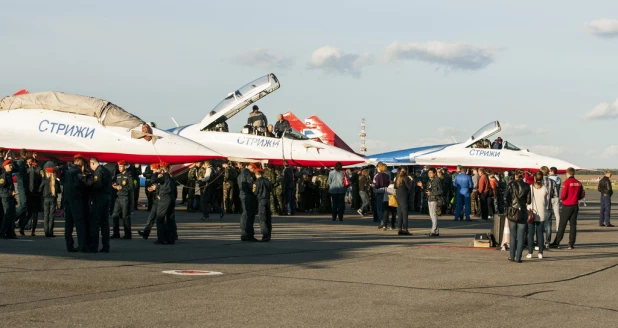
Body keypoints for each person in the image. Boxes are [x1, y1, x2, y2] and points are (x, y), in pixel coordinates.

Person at [550, 167, 585, 250]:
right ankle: (571, 243)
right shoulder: (578, 183)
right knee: (573, 225)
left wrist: (563, 199)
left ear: (567, 173)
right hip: (575, 205)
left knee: (562, 225)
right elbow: (581, 195)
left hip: (567, 205)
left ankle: (557, 242)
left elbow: (563, 195)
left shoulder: (567, 182)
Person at [63, 156, 89, 252]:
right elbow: (78, 185)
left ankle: (69, 246)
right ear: (79, 162)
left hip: (67, 201)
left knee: (68, 225)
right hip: (76, 201)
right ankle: (82, 246)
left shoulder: (67, 172)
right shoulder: (77, 172)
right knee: (79, 224)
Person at [504, 170, 531, 263]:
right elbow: (529, 200)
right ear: (523, 176)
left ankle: (512, 255)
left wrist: (509, 206)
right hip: (522, 211)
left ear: (515, 176)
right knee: (521, 236)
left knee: (513, 235)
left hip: (512, 211)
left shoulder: (511, 185)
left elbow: (505, 198)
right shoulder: (527, 186)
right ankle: (518, 257)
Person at [88, 157, 112, 253]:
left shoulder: (98, 172)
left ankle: (94, 246)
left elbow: (97, 186)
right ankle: (106, 246)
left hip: (99, 198)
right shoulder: (106, 170)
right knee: (104, 223)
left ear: (92, 163)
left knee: (95, 223)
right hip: (106, 197)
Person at [151, 162, 176, 245]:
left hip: (165, 198)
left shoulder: (164, 176)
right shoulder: (171, 177)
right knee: (170, 219)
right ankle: (171, 238)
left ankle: (161, 239)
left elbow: (153, 180)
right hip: (171, 198)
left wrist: (155, 172)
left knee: (160, 219)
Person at [527, 171, 548, 259]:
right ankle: (540, 252)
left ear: (534, 178)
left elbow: (527, 200)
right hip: (541, 212)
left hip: (531, 212)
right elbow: (546, 202)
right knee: (540, 234)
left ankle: (530, 252)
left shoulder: (530, 187)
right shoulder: (544, 189)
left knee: (530, 234)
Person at [111, 160, 133, 239]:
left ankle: (128, 234)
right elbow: (116, 183)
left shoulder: (129, 176)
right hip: (118, 197)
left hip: (125, 198)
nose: (120, 168)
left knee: (125, 216)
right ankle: (116, 233)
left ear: (125, 166)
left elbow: (131, 187)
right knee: (115, 215)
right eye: (119, 166)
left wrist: (122, 188)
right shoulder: (118, 175)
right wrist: (114, 185)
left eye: (121, 166)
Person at [238, 162, 258, 242]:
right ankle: (248, 234)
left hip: (243, 195)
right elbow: (251, 185)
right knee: (249, 214)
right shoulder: (247, 174)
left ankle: (244, 233)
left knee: (245, 214)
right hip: (248, 195)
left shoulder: (241, 174)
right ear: (251, 168)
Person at [539, 166, 558, 248]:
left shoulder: (538, 182)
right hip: (548, 205)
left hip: (539, 206)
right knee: (548, 225)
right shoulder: (552, 182)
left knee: (539, 225)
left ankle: (540, 241)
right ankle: (547, 241)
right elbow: (555, 194)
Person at [39, 167, 60, 238]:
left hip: (46, 199)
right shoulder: (56, 182)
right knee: (51, 216)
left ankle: (46, 232)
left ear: (47, 173)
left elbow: (40, 189)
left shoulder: (45, 181)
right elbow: (59, 191)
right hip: (53, 199)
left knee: (46, 216)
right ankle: (50, 232)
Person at [0, 160, 17, 239]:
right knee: (7, 215)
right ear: (5, 166)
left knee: (12, 215)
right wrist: (10, 193)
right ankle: (3, 232)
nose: (11, 166)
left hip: (10, 197)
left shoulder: (9, 175)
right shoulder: (3, 176)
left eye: (11, 165)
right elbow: (1, 188)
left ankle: (10, 233)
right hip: (5, 197)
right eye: (9, 165)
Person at [254, 169, 272, 242]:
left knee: (262, 218)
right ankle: (269, 234)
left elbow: (255, 191)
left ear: (256, 174)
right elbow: (270, 189)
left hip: (261, 200)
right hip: (267, 199)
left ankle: (265, 234)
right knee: (268, 218)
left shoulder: (257, 182)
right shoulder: (267, 180)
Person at [26, 160, 44, 236]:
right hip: (36, 193)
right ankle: (32, 229)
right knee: (34, 213)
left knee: (30, 212)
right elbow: (42, 181)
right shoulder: (39, 170)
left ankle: (25, 227)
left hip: (31, 193)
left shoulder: (28, 170)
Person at [424, 168, 443, 236]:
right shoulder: (429, 180)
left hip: (435, 199)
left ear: (435, 173)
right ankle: (436, 230)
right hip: (430, 198)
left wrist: (431, 193)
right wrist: (422, 187)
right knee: (431, 215)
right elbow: (428, 189)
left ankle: (433, 230)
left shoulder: (437, 180)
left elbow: (441, 191)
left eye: (431, 173)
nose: (429, 174)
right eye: (429, 173)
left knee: (433, 215)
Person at [395, 168, 412, 235]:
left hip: (398, 196)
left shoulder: (397, 177)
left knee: (399, 213)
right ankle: (405, 229)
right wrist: (411, 181)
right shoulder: (406, 178)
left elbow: (395, 187)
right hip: (404, 196)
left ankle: (400, 228)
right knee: (405, 213)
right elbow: (409, 187)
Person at [548, 167, 562, 232]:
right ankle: (558, 228)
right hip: (556, 197)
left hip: (549, 197)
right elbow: (558, 188)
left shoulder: (549, 178)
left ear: (552, 171)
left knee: (548, 213)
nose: (549, 172)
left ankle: (548, 228)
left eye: (550, 171)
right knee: (557, 214)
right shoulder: (558, 178)